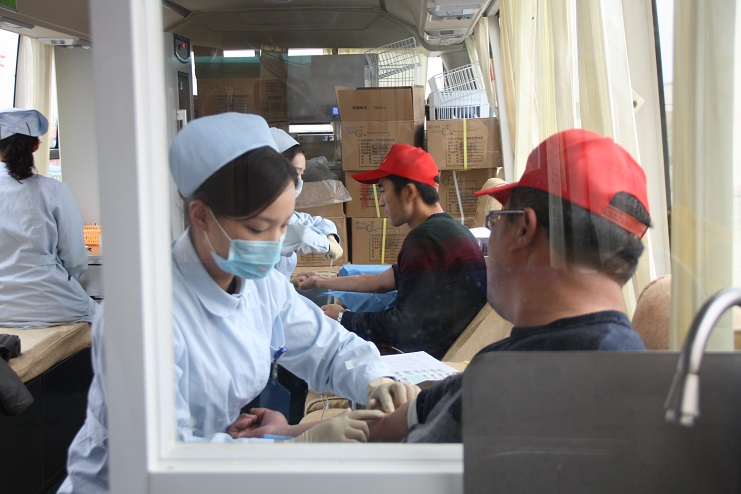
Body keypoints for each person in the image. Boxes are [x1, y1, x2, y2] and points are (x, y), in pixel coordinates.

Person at [59, 113, 417, 493]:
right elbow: (161, 458)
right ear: (201, 215)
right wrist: (295, 448)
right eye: (258, 228)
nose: (274, 244)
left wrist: (373, 380)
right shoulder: (143, 310)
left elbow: (326, 348)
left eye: (283, 226)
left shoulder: (262, 286)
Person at [365, 129, 651, 444]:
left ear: (524, 229)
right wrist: (413, 408)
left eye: (498, 218)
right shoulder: (630, 366)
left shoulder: (510, 383)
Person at [297, 144, 487, 360]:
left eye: (383, 190)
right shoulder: (450, 230)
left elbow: (403, 327)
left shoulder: (424, 239)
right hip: (449, 347)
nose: (380, 201)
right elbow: (378, 282)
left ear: (409, 192)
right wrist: (321, 281)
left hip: (433, 358)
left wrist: (344, 318)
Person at [0, 108, 97, 328]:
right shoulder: (53, 190)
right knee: (108, 323)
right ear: (36, 145)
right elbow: (75, 259)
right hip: (52, 304)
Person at [269, 128, 342, 279]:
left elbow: (311, 221)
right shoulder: (258, 210)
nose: (300, 181)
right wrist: (327, 245)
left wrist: (330, 235)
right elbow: (299, 234)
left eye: (302, 174)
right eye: (296, 172)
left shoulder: (281, 209)